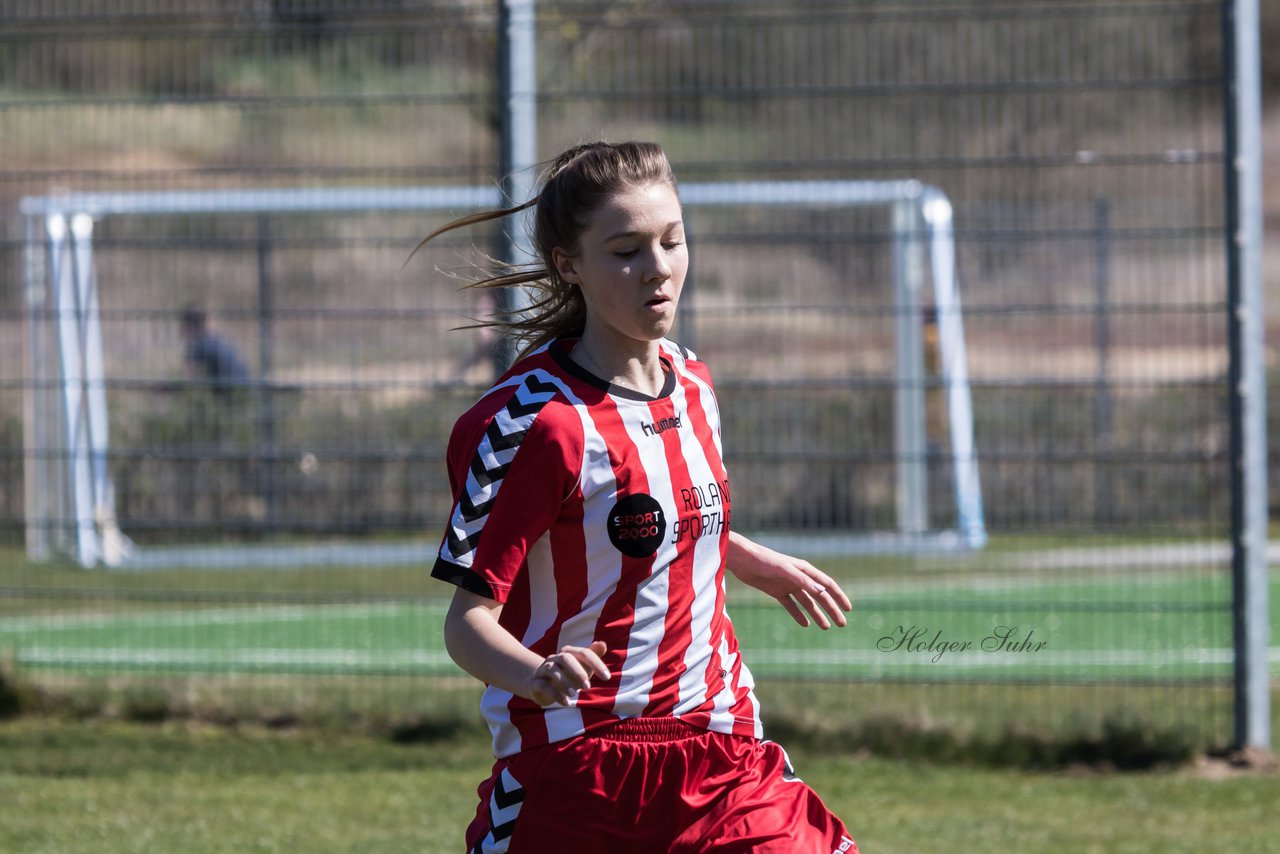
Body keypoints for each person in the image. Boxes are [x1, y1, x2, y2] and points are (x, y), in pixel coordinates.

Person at [420, 141, 859, 853]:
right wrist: (538, 673)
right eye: (626, 251)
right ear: (569, 266)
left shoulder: (693, 384)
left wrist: (738, 555)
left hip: (719, 751)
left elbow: (646, 513)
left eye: (672, 241)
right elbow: (467, 621)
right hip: (581, 767)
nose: (658, 269)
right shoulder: (536, 427)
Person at [178, 305, 250, 397]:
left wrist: (171, 389)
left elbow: (188, 379)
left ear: (188, 325)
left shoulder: (197, 343)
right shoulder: (213, 336)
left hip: (229, 389)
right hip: (245, 384)